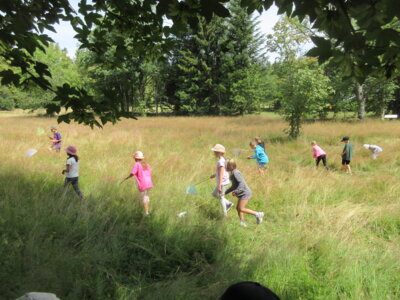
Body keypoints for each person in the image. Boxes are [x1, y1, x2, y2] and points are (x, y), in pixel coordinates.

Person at [225, 159, 264, 227]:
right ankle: (242, 222)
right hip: (241, 193)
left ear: (230, 166)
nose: (225, 167)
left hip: (245, 192)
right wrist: (225, 192)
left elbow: (241, 183)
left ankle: (258, 214)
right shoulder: (232, 173)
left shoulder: (235, 172)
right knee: (238, 208)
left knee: (241, 208)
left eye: (226, 165)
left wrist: (236, 191)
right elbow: (234, 186)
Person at [122, 151, 153, 215]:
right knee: (146, 196)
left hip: (143, 183)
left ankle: (146, 213)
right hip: (149, 182)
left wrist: (126, 178)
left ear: (136, 158)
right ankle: (147, 211)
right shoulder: (146, 164)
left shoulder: (137, 164)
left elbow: (132, 173)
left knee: (143, 198)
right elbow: (150, 172)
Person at [210, 144, 234, 217]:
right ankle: (228, 203)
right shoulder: (223, 160)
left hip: (223, 183)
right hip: (223, 182)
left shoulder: (221, 161)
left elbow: (221, 174)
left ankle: (225, 215)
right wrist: (214, 175)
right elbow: (221, 171)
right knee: (214, 194)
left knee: (221, 197)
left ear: (219, 152)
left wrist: (220, 186)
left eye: (215, 151)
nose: (214, 153)